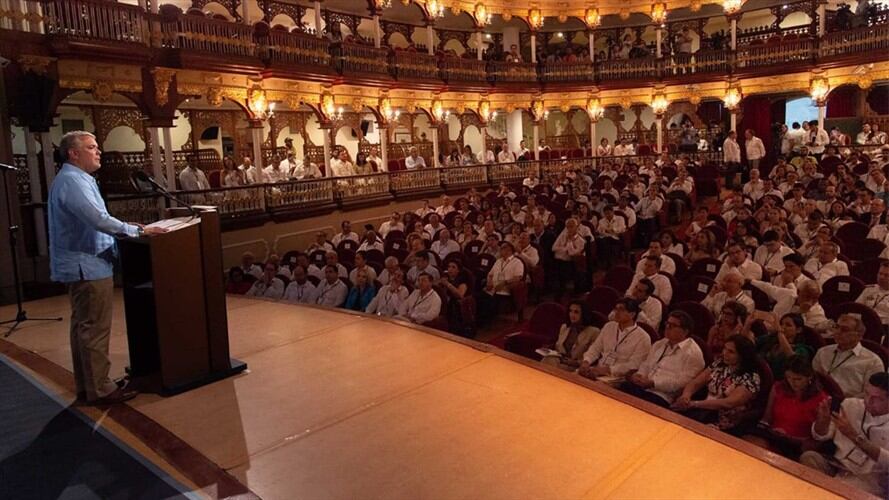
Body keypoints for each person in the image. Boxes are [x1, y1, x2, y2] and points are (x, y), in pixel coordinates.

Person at [48, 131, 167, 404]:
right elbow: (97, 219)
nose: (98, 151)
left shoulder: (75, 179)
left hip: (85, 263)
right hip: (87, 265)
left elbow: (98, 217)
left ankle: (88, 385)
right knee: (94, 329)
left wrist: (129, 228)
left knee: (84, 327)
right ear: (73, 154)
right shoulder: (73, 181)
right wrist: (136, 231)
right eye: (91, 147)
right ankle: (100, 388)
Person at [801, 372, 889, 496]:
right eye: (867, 393)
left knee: (841, 487)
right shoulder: (851, 405)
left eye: (876, 398)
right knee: (809, 457)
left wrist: (853, 436)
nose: (868, 401)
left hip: (867, 478)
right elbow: (820, 435)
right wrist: (823, 421)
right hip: (838, 465)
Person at [673, 335, 761, 434]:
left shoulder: (750, 378)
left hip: (726, 421)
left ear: (742, 356)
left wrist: (694, 404)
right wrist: (686, 397)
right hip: (703, 410)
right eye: (725, 349)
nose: (724, 353)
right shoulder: (719, 364)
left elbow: (728, 403)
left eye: (731, 352)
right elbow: (696, 382)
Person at [745, 355, 828, 458]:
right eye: (788, 377)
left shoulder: (821, 399)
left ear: (809, 377)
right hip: (773, 436)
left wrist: (788, 436)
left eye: (798, 379)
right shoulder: (779, 388)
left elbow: (817, 437)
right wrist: (763, 430)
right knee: (747, 443)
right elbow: (767, 418)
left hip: (797, 444)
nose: (792, 382)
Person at [620, 310, 705, 407]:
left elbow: (681, 383)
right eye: (667, 323)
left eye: (672, 325)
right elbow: (646, 364)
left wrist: (653, 383)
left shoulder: (693, 354)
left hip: (661, 395)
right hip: (643, 386)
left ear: (685, 331)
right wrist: (639, 375)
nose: (667, 327)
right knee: (623, 387)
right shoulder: (660, 343)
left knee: (644, 403)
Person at [812, 314, 885, 398]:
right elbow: (812, 379)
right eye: (836, 327)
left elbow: (870, 393)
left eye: (844, 330)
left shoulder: (872, 361)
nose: (838, 332)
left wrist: (846, 403)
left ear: (859, 335)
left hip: (850, 404)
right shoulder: (822, 352)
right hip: (819, 397)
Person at [578, 298, 652, 380]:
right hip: (597, 369)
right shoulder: (609, 326)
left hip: (617, 377)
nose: (616, 312)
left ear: (632, 314)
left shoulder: (643, 337)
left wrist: (609, 370)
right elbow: (596, 348)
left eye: (621, 310)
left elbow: (634, 365)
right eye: (616, 309)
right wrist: (586, 361)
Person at [541, 301, 600, 371]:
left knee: (550, 364)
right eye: (570, 311)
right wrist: (549, 350)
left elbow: (594, 356)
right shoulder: (565, 327)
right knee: (548, 359)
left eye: (576, 312)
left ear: (584, 314)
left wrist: (575, 363)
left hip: (576, 367)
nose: (572, 315)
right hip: (560, 361)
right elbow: (558, 348)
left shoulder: (593, 332)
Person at [477, 241, 525, 326]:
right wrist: (489, 282)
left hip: (504, 289)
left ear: (509, 251)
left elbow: (518, 277)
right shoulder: (498, 261)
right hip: (492, 288)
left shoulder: (517, 262)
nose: (501, 251)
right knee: (478, 296)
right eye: (501, 249)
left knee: (488, 301)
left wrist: (504, 282)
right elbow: (490, 274)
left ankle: (485, 322)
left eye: (503, 249)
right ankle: (479, 320)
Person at [438, 261, 473, 337]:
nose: (450, 269)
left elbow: (460, 295)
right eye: (449, 267)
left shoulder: (462, 280)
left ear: (458, 270)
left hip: (457, 307)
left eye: (453, 267)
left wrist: (448, 284)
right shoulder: (446, 278)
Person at [855, 261, 889, 325]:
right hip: (863, 325)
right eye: (880, 273)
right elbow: (855, 309)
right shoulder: (869, 290)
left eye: (886, 275)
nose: (881, 277)